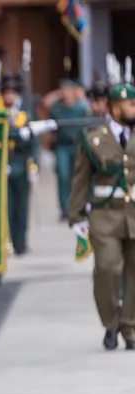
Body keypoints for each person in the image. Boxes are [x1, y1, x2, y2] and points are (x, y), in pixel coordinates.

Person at [67, 83, 135, 351]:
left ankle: (130, 326)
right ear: (116, 108)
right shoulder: (94, 137)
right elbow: (81, 178)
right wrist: (76, 215)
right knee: (108, 268)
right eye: (131, 105)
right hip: (105, 213)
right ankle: (111, 322)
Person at [2, 75, 38, 256]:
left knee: (21, 206)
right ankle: (7, 241)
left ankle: (21, 242)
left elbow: (33, 142)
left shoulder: (25, 114)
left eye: (12, 93)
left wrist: (34, 165)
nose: (9, 97)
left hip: (21, 163)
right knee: (6, 205)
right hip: (4, 165)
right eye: (6, 93)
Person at [49, 79, 90, 220]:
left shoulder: (81, 108)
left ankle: (78, 206)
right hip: (63, 145)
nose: (65, 94)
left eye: (68, 90)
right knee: (63, 174)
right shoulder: (57, 108)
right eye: (63, 90)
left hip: (77, 145)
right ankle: (65, 208)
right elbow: (44, 105)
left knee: (78, 177)